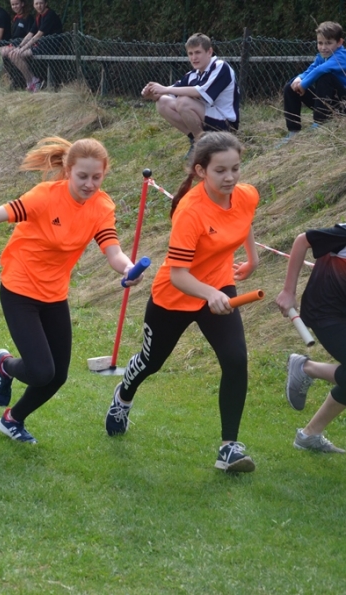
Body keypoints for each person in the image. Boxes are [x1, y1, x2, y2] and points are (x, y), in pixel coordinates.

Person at [0, 137, 139, 444]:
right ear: (68, 170)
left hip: (54, 295)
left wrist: (128, 269)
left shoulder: (102, 206)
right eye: (82, 176)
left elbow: (113, 252)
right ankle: (5, 366)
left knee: (57, 376)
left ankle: (12, 420)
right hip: (20, 289)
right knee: (40, 371)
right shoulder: (45, 197)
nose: (89, 184)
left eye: (96, 177)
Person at [102, 132, 259, 473]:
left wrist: (252, 258)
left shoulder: (246, 194)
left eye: (235, 168)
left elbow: (243, 220)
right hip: (175, 295)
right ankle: (123, 396)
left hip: (219, 285)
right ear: (201, 171)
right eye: (221, 170)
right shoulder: (191, 210)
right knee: (151, 361)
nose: (230, 177)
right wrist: (209, 294)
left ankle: (229, 448)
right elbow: (178, 276)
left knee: (235, 360)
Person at [275, 225, 346, 453]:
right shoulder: (343, 234)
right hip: (324, 312)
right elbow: (302, 240)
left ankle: (309, 435)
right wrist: (288, 291)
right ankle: (307, 368)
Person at [142, 33, 240, 158]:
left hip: (226, 125)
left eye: (198, 52)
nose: (194, 58)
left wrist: (164, 89)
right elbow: (171, 92)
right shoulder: (193, 74)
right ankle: (196, 140)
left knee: (183, 101)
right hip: (208, 118)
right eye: (190, 53)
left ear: (209, 52)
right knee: (162, 103)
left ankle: (202, 146)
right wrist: (151, 94)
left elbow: (200, 92)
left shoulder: (220, 66)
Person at [279, 21, 346, 145]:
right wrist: (299, 78)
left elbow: (320, 70)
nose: (323, 47)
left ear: (339, 42)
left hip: (342, 104)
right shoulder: (321, 56)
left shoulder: (341, 56)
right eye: (320, 43)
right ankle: (293, 130)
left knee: (325, 77)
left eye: (328, 43)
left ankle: (320, 122)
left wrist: (303, 85)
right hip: (327, 102)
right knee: (291, 87)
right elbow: (312, 68)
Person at [6, 0, 62, 91]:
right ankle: (31, 81)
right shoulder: (38, 16)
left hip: (49, 46)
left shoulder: (50, 15)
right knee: (12, 54)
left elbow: (38, 35)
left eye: (41, 3)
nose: (39, 6)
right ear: (33, 5)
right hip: (41, 45)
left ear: (46, 4)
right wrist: (19, 47)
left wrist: (22, 49)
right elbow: (30, 34)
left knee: (16, 55)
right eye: (36, 3)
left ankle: (34, 81)